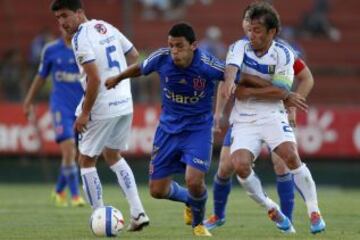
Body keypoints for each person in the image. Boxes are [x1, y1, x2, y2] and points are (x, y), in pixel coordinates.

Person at [105, 22, 226, 237]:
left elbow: (230, 75)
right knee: (157, 191)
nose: (174, 51)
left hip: (198, 129)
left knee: (194, 180)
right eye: (171, 45)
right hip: (168, 130)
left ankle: (198, 225)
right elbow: (140, 68)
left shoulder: (207, 64)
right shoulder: (161, 58)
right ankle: (190, 200)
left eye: (179, 46)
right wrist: (118, 77)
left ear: (193, 46)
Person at [204, 3, 314, 231]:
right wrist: (218, 112)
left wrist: (291, 107)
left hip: (274, 113)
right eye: (245, 21)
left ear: (269, 29)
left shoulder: (283, 51)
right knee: (225, 166)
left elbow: (306, 78)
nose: (247, 26)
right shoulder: (240, 49)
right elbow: (228, 81)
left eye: (252, 23)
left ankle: (288, 221)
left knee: (282, 164)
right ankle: (218, 215)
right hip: (245, 117)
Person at [50, 0, 149, 231]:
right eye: (58, 18)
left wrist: (84, 113)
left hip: (101, 106)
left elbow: (94, 78)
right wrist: (116, 76)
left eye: (65, 15)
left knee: (85, 161)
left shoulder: (80, 38)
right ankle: (138, 212)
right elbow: (134, 55)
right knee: (113, 155)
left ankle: (100, 219)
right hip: (124, 102)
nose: (62, 22)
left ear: (79, 13)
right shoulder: (105, 26)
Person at [23, 27, 86, 208]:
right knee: (69, 150)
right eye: (61, 21)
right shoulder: (51, 50)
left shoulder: (85, 49)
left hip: (81, 109)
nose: (65, 26)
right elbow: (40, 77)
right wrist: (29, 101)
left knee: (76, 155)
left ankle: (58, 190)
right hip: (60, 107)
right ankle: (75, 197)